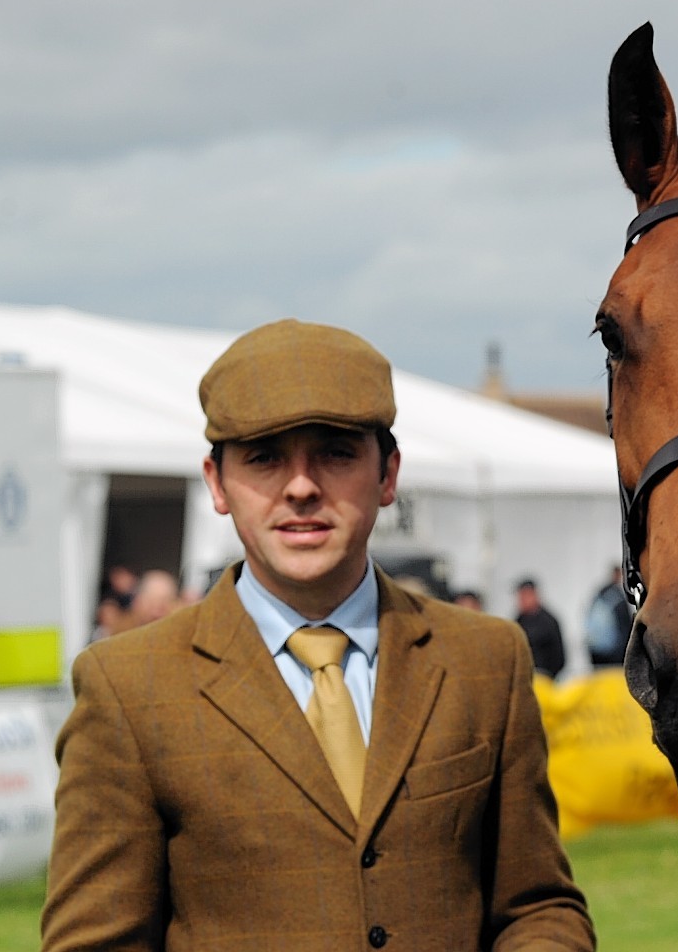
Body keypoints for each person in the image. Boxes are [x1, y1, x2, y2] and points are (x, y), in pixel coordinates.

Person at [42, 319, 594, 951]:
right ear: (217, 483)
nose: (301, 486)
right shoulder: (128, 688)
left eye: (334, 453)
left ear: (388, 475)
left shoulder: (485, 660)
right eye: (264, 457)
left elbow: (538, 906)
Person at [514, 578, 565, 679]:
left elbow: (559, 657)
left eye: (525, 596)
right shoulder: (518, 621)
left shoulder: (549, 621)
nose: (521, 600)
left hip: (545, 678)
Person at [584, 566, 631, 667]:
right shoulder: (618, 598)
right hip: (615, 653)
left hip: (597, 651)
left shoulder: (599, 594)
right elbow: (625, 626)